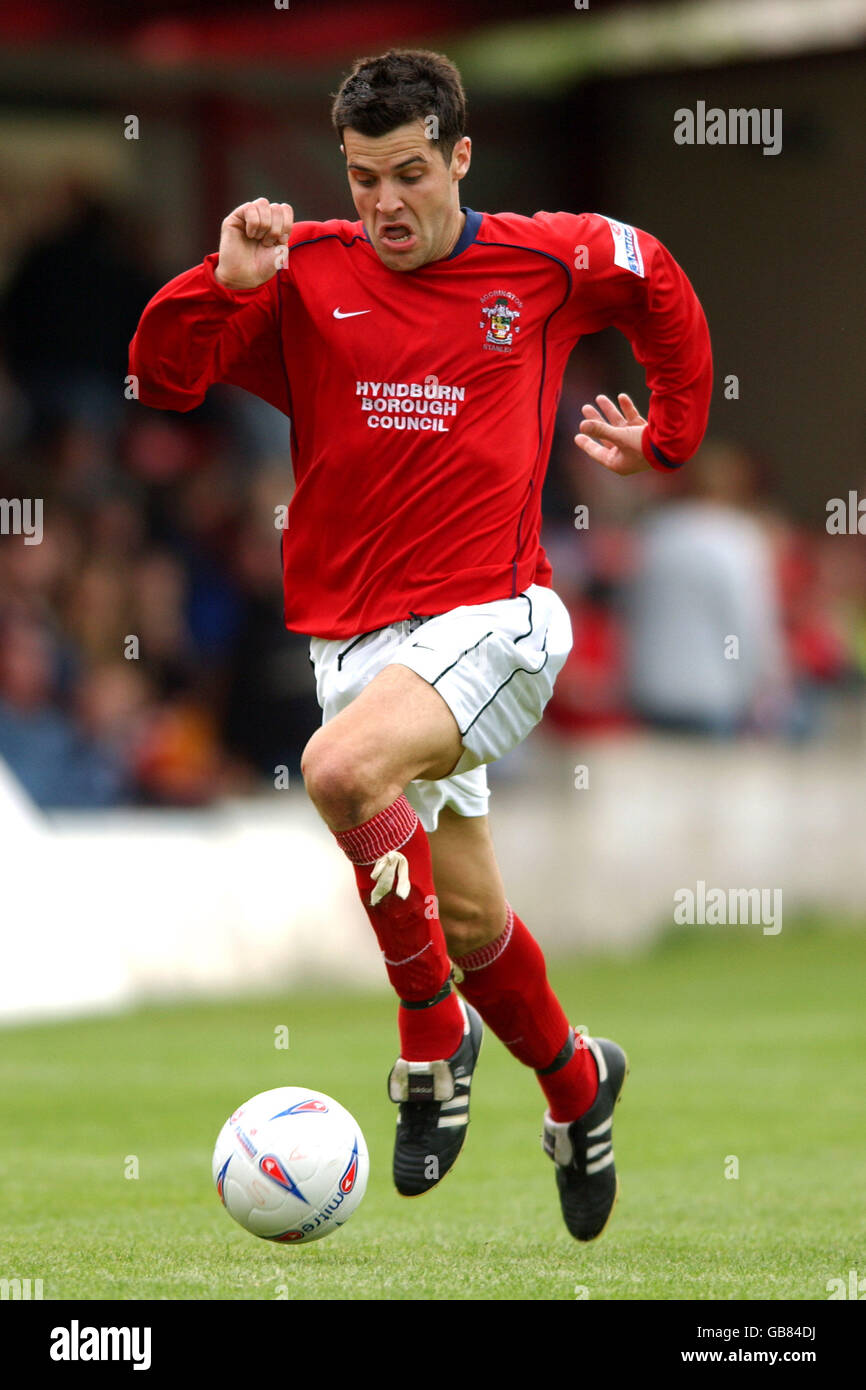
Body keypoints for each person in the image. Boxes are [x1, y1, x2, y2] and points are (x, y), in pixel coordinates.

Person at [129, 48, 712, 1241]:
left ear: (458, 156)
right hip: (359, 642)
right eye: (360, 179)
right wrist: (222, 282)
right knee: (471, 925)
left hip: (499, 619)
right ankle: (573, 1082)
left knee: (342, 771)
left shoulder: (544, 259)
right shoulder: (302, 276)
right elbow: (160, 378)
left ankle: (428, 1040)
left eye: (407, 173)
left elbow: (654, 274)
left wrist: (668, 434)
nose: (384, 204)